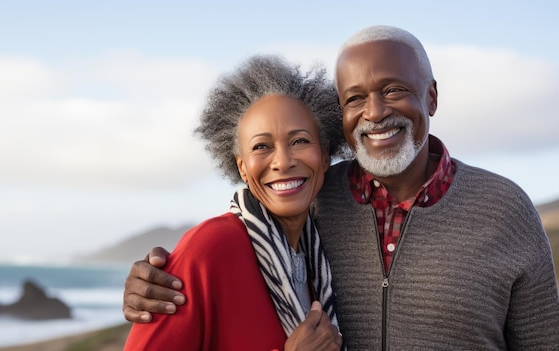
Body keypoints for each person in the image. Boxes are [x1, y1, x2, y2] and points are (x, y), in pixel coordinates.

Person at [123, 26, 559, 349]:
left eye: (394, 89)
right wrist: (160, 283)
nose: (374, 112)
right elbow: (223, 254)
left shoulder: (506, 209)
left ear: (431, 97)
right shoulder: (311, 200)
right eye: (354, 98)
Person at [123, 55, 345, 350]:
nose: (282, 161)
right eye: (261, 146)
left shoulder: (325, 253)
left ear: (325, 154)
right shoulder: (209, 248)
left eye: (300, 141)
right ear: (242, 167)